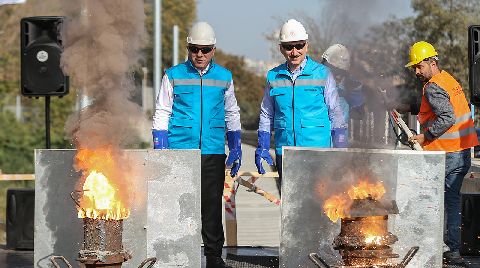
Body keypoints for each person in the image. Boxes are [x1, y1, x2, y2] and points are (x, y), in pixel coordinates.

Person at [152, 21, 241, 268]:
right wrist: (161, 149)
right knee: (178, 204)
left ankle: (213, 257)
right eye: (194, 49)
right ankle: (175, 254)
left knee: (211, 206)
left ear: (213, 49)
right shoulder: (173, 75)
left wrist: (235, 146)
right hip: (180, 151)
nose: (199, 54)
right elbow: (162, 111)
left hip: (212, 151)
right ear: (188, 48)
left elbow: (232, 111)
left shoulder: (224, 77)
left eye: (205, 49)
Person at [406, 41, 478, 267]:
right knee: (452, 202)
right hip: (463, 152)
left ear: (431, 62)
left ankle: (426, 248)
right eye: (414, 68)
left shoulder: (434, 86)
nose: (416, 72)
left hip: (445, 155)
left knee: (424, 199)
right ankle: (453, 252)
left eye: (419, 66)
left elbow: (447, 117)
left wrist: (424, 136)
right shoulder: (449, 80)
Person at [255, 19, 347, 194]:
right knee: (291, 209)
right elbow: (267, 114)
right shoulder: (273, 76)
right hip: (286, 154)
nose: (294, 52)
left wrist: (341, 148)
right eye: (289, 47)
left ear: (306, 46)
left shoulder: (322, 73)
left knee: (321, 207)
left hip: (318, 154)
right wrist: (263, 145)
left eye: (299, 45)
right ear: (281, 48)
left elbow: (335, 112)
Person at [321, 43, 365, 134]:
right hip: (322, 137)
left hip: (337, 137)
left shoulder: (350, 84)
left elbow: (359, 113)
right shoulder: (318, 80)